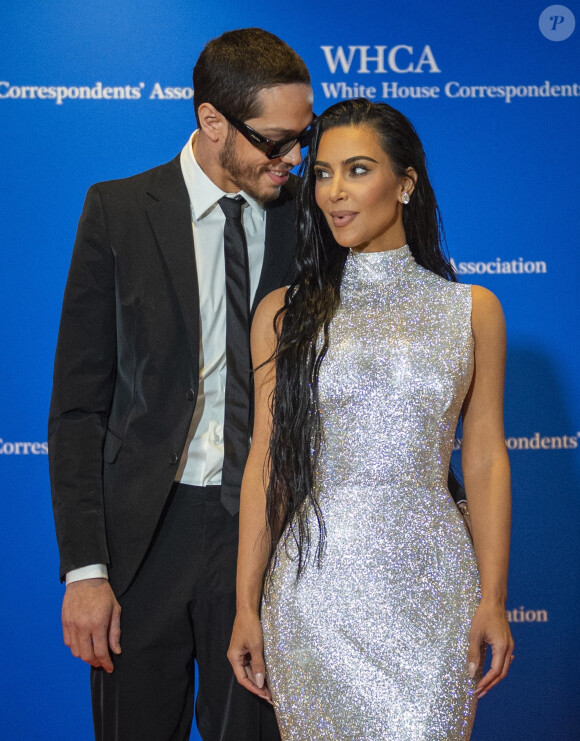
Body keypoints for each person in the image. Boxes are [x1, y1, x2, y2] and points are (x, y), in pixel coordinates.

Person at [48, 28, 313, 741]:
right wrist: (85, 569)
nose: (295, 160)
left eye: (303, 139)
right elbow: (77, 408)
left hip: (260, 532)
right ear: (212, 122)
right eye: (276, 141)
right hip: (140, 544)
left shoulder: (310, 218)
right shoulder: (118, 210)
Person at [228, 99, 514, 740]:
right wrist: (246, 606)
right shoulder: (284, 312)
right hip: (314, 594)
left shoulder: (471, 310)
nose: (334, 192)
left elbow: (487, 456)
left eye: (358, 170)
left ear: (405, 182)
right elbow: (269, 462)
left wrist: (493, 597)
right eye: (323, 173)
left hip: (432, 591)